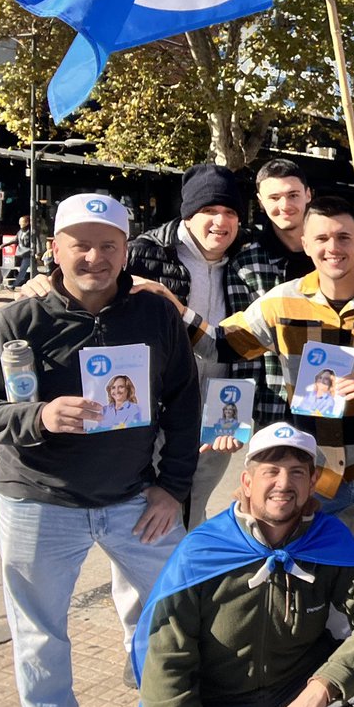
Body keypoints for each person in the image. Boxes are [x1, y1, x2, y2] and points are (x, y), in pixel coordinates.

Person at [161, 195, 354, 707]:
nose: (334, 248)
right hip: (318, 469)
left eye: (344, 237)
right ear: (306, 244)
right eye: (323, 238)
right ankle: (316, 672)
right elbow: (222, 344)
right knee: (308, 573)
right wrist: (173, 307)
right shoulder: (281, 301)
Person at [0, 192, 200, 707]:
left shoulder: (156, 314)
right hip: (38, 504)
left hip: (134, 501)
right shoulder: (18, 323)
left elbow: (183, 404)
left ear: (126, 250)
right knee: (39, 635)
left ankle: (163, 703)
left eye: (109, 245)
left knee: (173, 616)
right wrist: (37, 416)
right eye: (81, 245)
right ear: (55, 249)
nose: (95, 258)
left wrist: (171, 488)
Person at [135, 421, 354, 707]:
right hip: (221, 700)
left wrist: (322, 686)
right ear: (247, 482)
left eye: (297, 472)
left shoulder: (327, 539)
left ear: (313, 481)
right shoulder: (203, 550)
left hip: (299, 689)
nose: (284, 484)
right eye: (271, 471)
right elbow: (167, 657)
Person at [126, 163, 249, 528]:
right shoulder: (144, 254)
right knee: (143, 512)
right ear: (188, 214)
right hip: (159, 408)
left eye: (229, 212)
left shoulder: (248, 260)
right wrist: (41, 284)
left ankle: (187, 582)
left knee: (194, 507)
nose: (220, 221)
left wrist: (235, 418)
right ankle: (145, 587)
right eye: (209, 210)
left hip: (221, 408)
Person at [228, 158, 316, 428]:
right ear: (261, 201)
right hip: (274, 404)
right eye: (274, 197)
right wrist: (235, 417)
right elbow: (240, 347)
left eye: (293, 195)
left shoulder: (336, 254)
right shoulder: (246, 264)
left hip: (334, 396)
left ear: (308, 194)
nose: (285, 205)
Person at [14, 214, 33, 284]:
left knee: (23, 269)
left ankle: (15, 285)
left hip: (28, 253)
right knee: (23, 269)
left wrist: (38, 252)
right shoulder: (20, 232)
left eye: (22, 222)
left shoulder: (31, 232)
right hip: (20, 253)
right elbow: (15, 240)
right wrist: (2, 245)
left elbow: (37, 242)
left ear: (27, 223)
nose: (20, 223)